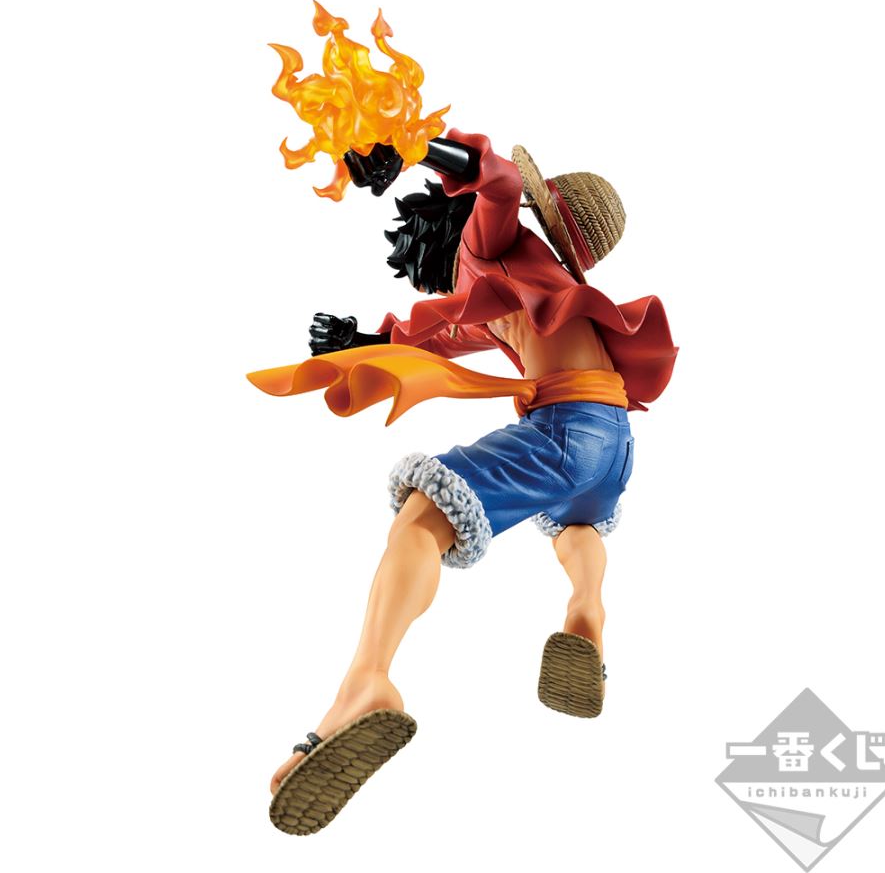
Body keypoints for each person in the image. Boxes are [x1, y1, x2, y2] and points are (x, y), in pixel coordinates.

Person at [249, 130, 677, 834]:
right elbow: (441, 335)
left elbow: (497, 179)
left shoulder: (490, 245)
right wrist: (362, 342)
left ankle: (367, 681)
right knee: (574, 525)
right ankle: (587, 615)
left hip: (565, 430)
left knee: (420, 518)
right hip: (614, 445)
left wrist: (412, 145)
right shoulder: (534, 288)